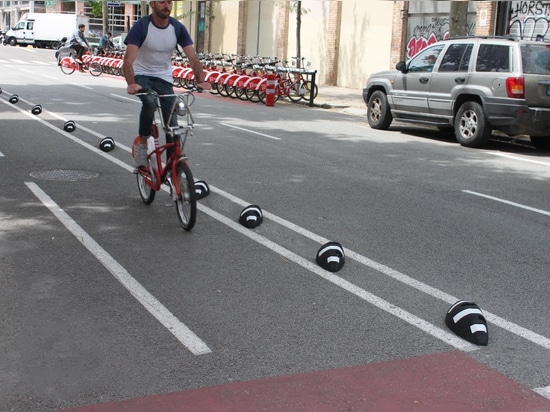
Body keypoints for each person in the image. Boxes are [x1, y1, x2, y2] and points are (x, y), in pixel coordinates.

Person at [123, 0, 211, 168]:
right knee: (149, 103)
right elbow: (128, 60)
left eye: (169, 2)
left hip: (164, 78)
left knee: (172, 123)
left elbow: (192, 58)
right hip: (142, 75)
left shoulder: (177, 28)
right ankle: (142, 143)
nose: (166, 6)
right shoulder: (142, 26)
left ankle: (173, 164)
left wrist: (201, 80)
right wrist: (131, 83)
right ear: (152, 4)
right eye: (162, 2)